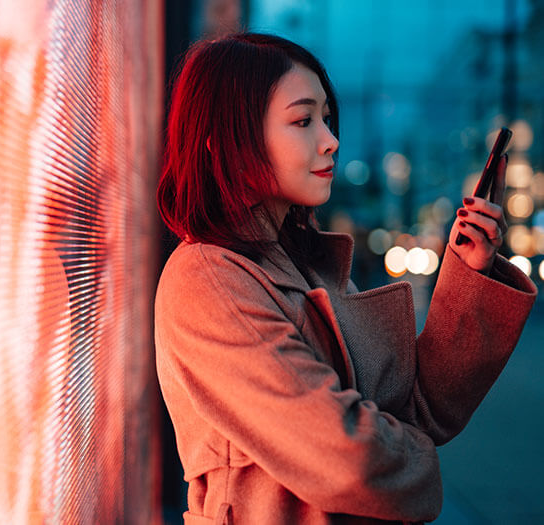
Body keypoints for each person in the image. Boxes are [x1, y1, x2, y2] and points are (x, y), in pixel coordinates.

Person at [154, 32, 537, 524]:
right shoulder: (209, 278)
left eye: (327, 119)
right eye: (303, 119)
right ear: (228, 141)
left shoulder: (301, 263)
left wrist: (471, 271)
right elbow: (350, 459)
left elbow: (419, 407)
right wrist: (419, 462)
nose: (330, 139)